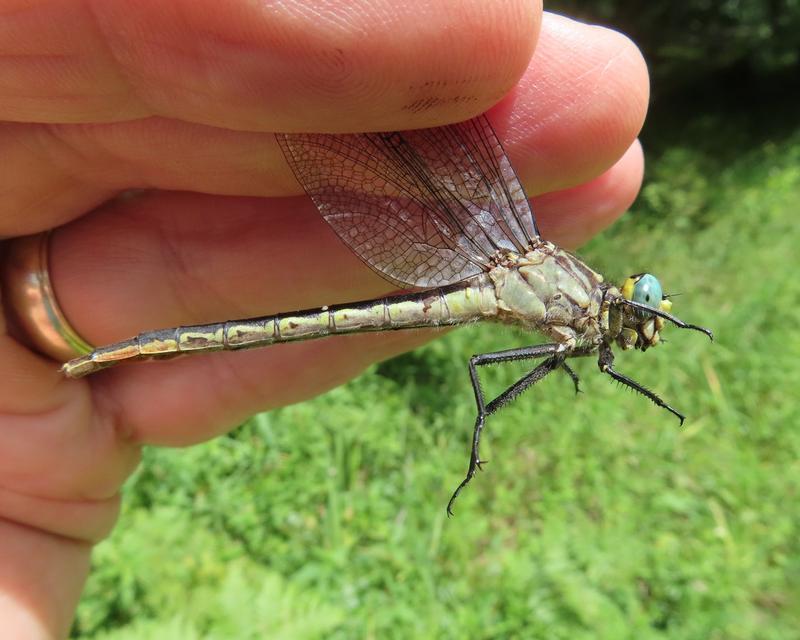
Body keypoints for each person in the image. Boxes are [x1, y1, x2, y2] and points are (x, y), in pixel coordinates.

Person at [0, 2, 649, 636]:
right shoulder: (579, 301)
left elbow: (576, 362)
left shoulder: (586, 317)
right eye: (639, 308)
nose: (639, 319)